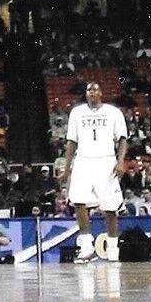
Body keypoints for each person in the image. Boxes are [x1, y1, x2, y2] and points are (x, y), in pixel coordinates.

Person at [59, 81, 129, 264]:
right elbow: (71, 141)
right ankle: (87, 246)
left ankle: (113, 247)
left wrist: (120, 162)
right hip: (83, 159)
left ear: (101, 93)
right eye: (89, 90)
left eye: (95, 89)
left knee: (110, 207)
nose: (91, 92)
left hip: (106, 160)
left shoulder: (113, 112)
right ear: (86, 94)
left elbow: (123, 139)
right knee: (78, 201)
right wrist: (66, 168)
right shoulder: (77, 112)